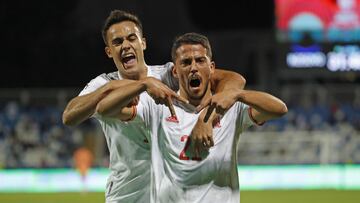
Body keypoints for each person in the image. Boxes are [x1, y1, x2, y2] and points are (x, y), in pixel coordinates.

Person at [62, 10, 246, 202]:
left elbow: (234, 80)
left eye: (131, 38)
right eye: (117, 42)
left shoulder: (167, 74)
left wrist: (208, 116)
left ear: (143, 43)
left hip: (169, 193)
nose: (125, 45)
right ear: (109, 51)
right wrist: (119, 87)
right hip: (126, 193)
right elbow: (69, 116)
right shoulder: (103, 84)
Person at [96, 32, 288, 202]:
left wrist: (239, 94)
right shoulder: (158, 107)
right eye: (186, 62)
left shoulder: (229, 108)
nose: (193, 68)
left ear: (211, 68)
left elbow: (279, 109)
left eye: (200, 60)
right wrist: (142, 84)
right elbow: (104, 110)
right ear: (175, 71)